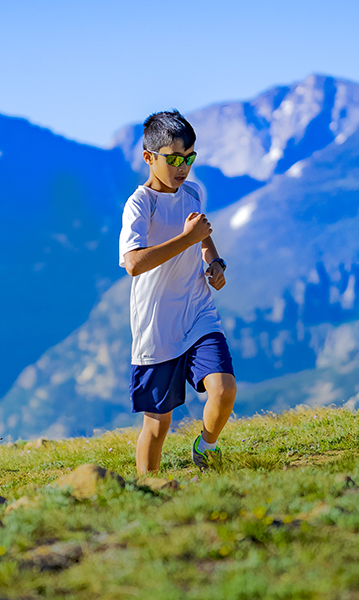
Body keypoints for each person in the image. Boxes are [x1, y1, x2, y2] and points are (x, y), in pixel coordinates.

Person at [120, 110, 237, 475]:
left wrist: (215, 263)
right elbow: (134, 263)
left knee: (223, 389)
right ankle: (148, 489)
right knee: (157, 426)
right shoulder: (140, 204)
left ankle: (206, 448)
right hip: (156, 325)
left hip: (198, 312)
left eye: (189, 158)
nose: (182, 167)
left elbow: (202, 235)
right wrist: (186, 239)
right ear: (149, 157)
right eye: (173, 159)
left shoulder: (193, 192)